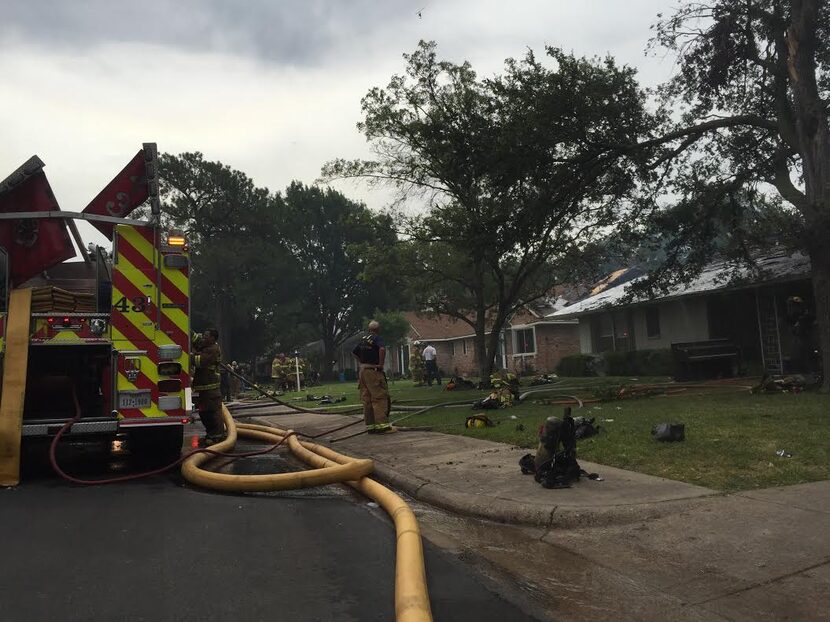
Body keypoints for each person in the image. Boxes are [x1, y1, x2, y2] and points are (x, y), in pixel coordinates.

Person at [352, 320, 394, 434]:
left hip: (363, 372)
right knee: (379, 397)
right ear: (378, 329)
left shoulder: (363, 339)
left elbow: (354, 352)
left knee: (367, 399)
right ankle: (382, 427)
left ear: (369, 329)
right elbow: (382, 349)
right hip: (373, 371)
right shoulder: (377, 338)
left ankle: (371, 426)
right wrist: (380, 364)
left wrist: (362, 362)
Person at [192, 328, 226, 446]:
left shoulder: (213, 349)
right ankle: (211, 434)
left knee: (212, 412)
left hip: (210, 387)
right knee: (204, 412)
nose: (204, 337)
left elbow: (199, 361)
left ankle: (217, 437)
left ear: (212, 338)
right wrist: (189, 332)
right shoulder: (207, 345)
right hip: (205, 387)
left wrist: (186, 356)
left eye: (206, 336)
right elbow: (198, 342)